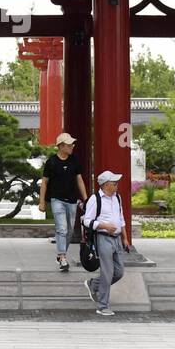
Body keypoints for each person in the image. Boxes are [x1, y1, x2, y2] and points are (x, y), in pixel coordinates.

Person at [82, 170, 130, 316]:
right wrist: (104, 226)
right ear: (106, 185)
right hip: (103, 238)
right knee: (107, 272)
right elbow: (86, 220)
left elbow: (121, 219)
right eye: (114, 183)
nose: (117, 185)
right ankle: (103, 306)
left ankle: (94, 284)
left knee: (119, 272)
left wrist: (125, 238)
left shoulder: (117, 198)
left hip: (116, 239)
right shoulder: (95, 199)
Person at [38, 132, 88, 272]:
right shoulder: (51, 162)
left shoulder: (74, 161)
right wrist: (42, 202)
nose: (72, 146)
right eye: (69, 144)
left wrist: (86, 199)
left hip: (72, 200)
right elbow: (44, 182)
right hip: (57, 199)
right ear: (61, 146)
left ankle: (61, 255)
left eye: (72, 143)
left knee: (70, 230)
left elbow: (79, 180)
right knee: (62, 228)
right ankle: (62, 256)